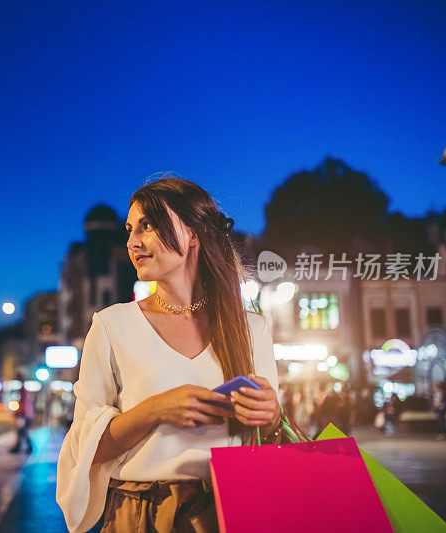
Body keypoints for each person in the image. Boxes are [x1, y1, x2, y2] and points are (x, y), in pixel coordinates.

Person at [56, 176, 282, 533]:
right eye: (130, 230)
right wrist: (155, 410)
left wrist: (269, 413)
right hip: (140, 515)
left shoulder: (251, 328)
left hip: (229, 511)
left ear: (193, 233)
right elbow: (85, 449)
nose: (132, 242)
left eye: (147, 227)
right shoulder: (112, 325)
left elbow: (270, 438)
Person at [10, 373, 34, 454]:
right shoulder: (24, 390)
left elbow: (23, 404)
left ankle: (28, 447)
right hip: (25, 414)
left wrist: (18, 413)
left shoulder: (22, 390)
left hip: (23, 415)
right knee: (21, 432)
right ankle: (20, 447)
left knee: (22, 431)